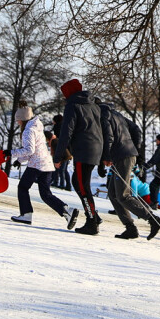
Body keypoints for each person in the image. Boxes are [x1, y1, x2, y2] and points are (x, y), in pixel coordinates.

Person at [98, 99, 160, 240]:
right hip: (124, 155)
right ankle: (130, 228)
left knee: (123, 195)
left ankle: (153, 220)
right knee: (113, 193)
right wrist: (136, 151)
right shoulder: (118, 115)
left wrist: (105, 158)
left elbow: (107, 137)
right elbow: (136, 130)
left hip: (122, 156)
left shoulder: (103, 116)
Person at [10, 103, 78, 229]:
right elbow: (34, 149)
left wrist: (11, 153)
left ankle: (26, 214)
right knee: (45, 194)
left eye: (18, 119)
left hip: (37, 164)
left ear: (23, 119)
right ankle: (67, 211)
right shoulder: (37, 127)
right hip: (46, 164)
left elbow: (29, 150)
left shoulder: (28, 131)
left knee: (23, 187)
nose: (17, 122)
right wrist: (19, 160)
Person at [53, 79, 105, 235]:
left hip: (84, 149)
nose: (64, 98)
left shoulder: (72, 105)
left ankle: (92, 223)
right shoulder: (93, 105)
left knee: (83, 186)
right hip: (95, 147)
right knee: (77, 182)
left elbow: (65, 132)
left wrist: (58, 156)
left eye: (65, 94)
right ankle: (94, 215)